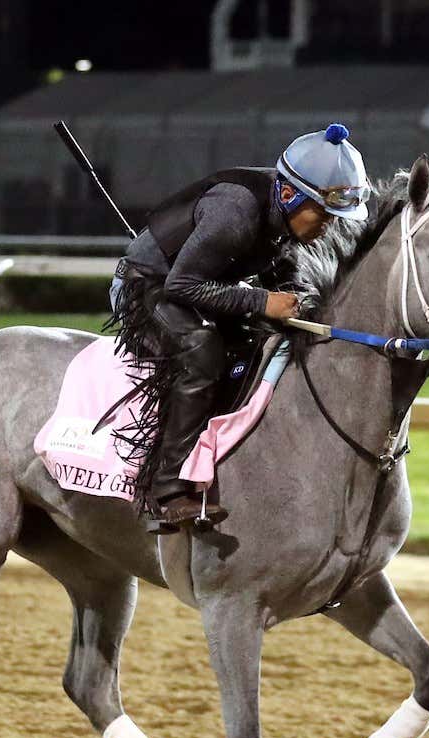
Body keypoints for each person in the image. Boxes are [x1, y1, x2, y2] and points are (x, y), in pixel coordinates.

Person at [108, 123, 371, 531]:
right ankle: (168, 490)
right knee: (202, 351)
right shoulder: (234, 211)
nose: (329, 226)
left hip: (191, 283)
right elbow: (181, 285)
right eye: (323, 213)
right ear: (289, 194)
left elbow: (280, 280)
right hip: (146, 285)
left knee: (266, 343)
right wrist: (262, 301)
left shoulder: (283, 215)